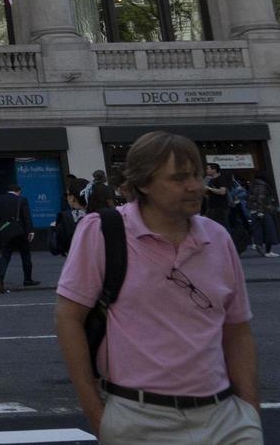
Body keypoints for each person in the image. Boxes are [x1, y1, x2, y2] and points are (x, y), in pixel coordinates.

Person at [55, 131, 260, 443]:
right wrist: (97, 416)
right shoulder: (103, 231)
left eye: (197, 175)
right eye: (178, 178)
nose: (194, 186)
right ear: (143, 183)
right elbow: (68, 318)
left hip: (226, 419)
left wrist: (250, 414)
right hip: (140, 420)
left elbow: (237, 329)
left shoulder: (218, 237)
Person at [0, 183, 38, 293]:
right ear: (18, 191)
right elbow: (26, 217)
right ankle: (27, 279)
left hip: (6, 232)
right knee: (25, 255)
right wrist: (30, 231)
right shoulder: (22, 200)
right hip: (20, 232)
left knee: (5, 256)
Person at [248, 175, 279, 257]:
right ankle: (268, 251)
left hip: (254, 211)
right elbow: (260, 199)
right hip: (262, 211)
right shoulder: (262, 185)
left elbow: (252, 198)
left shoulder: (253, 185)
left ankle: (258, 244)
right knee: (269, 230)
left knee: (258, 230)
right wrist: (261, 211)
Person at [51, 190, 86, 257]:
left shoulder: (66, 217)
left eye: (67, 195)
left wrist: (52, 228)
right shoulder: (96, 216)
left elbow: (55, 247)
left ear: (72, 198)